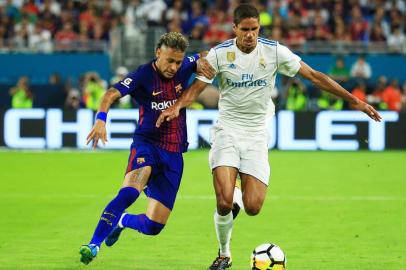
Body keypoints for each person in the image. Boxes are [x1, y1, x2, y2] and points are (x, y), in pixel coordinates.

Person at [156, 4, 382, 270]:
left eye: (254, 29)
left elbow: (315, 77)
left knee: (252, 206)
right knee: (223, 201)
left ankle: (239, 196)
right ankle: (224, 254)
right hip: (227, 129)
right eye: (244, 30)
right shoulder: (220, 54)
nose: (250, 35)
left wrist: (355, 100)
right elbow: (196, 88)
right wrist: (177, 106)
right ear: (234, 29)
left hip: (256, 134)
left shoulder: (275, 52)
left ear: (258, 28)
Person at [79, 32, 215, 265]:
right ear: (157, 53)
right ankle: (93, 244)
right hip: (147, 145)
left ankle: (121, 222)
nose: (174, 67)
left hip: (174, 153)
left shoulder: (185, 65)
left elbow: (204, 55)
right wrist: (101, 118)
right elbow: (111, 94)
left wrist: (201, 58)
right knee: (129, 192)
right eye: (169, 60)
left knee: (154, 226)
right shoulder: (143, 75)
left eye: (178, 62)